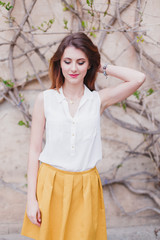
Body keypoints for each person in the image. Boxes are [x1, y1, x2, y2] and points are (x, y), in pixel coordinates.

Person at [21, 32, 146, 240]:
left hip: (85, 186)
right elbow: (34, 150)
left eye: (81, 62)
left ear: (89, 65)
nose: (73, 68)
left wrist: (101, 66)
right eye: (67, 61)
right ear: (59, 63)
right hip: (51, 184)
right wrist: (31, 199)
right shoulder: (45, 99)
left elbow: (138, 78)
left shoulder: (98, 100)